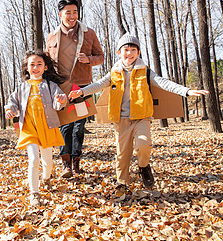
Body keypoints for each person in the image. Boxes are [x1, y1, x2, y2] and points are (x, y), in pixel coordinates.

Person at [69, 33, 209, 190]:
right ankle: (122, 183)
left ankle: (144, 167)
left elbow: (164, 83)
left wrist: (186, 91)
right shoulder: (114, 72)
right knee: (122, 155)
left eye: (133, 50)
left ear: (139, 53)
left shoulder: (145, 71)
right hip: (120, 119)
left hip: (141, 117)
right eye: (126, 50)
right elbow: (99, 85)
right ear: (119, 53)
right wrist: (81, 92)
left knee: (143, 145)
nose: (129, 53)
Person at [46, 0, 104, 178]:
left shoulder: (89, 33)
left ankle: (76, 161)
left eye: (75, 12)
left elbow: (101, 56)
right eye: (68, 12)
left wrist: (89, 60)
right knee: (64, 126)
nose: (72, 16)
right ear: (60, 15)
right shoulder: (52, 36)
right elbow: (47, 62)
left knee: (79, 125)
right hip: (61, 87)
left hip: (82, 86)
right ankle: (65, 165)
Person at [4, 50, 67, 206]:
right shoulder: (22, 87)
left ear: (45, 67)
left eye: (39, 64)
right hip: (29, 128)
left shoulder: (51, 85)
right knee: (33, 159)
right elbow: (13, 102)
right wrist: (9, 110)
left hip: (47, 127)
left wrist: (61, 100)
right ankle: (35, 193)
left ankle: (46, 178)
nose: (36, 67)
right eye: (32, 64)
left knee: (47, 161)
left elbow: (58, 104)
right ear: (27, 68)